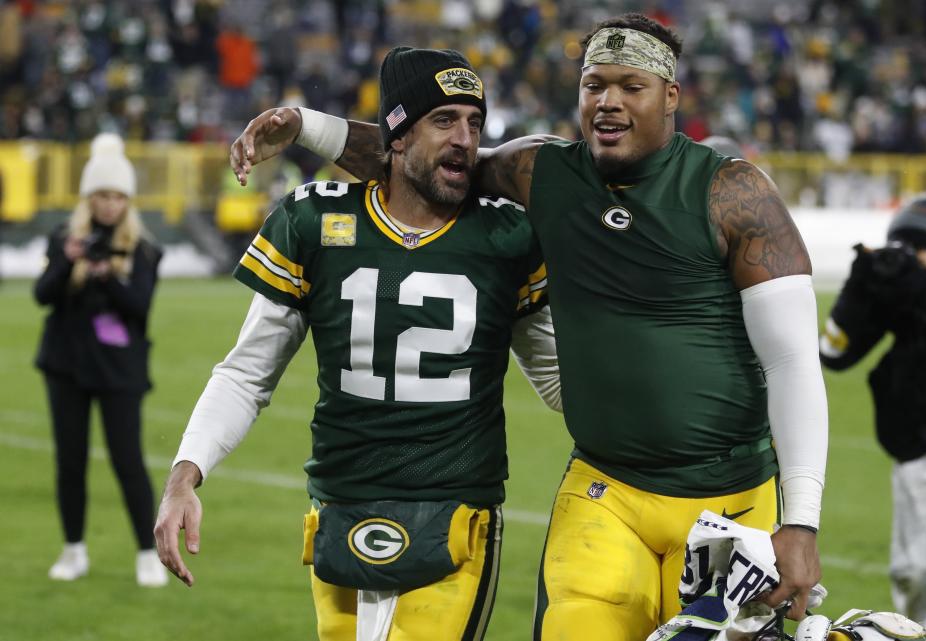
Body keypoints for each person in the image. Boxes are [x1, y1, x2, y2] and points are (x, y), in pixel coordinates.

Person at [231, 13, 828, 640]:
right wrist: (305, 127)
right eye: (595, 84)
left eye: (632, 86)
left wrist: (803, 522)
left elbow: (792, 363)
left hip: (728, 500)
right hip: (607, 489)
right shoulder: (546, 172)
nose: (609, 102)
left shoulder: (734, 193)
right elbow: (429, 154)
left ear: (671, 96)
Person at [154, 47, 561, 641]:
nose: (465, 140)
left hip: (456, 515)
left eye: (474, 123)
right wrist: (184, 476)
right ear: (394, 134)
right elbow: (246, 374)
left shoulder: (505, 234)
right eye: (444, 120)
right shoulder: (313, 222)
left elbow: (557, 383)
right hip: (340, 511)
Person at [820, 195, 926, 641]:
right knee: (913, 574)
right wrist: (859, 287)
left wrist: (922, 284)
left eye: (919, 249)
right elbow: (833, 353)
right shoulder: (896, 288)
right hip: (918, 457)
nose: (911, 259)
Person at [34, 132, 166, 587]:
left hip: (119, 372)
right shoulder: (64, 237)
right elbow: (42, 296)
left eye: (117, 196)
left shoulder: (143, 249)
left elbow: (140, 306)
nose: (109, 204)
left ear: (127, 200)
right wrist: (65, 264)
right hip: (66, 365)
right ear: (88, 198)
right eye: (101, 195)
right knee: (69, 461)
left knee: (127, 460)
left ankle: (147, 553)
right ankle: (73, 550)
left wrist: (108, 275)